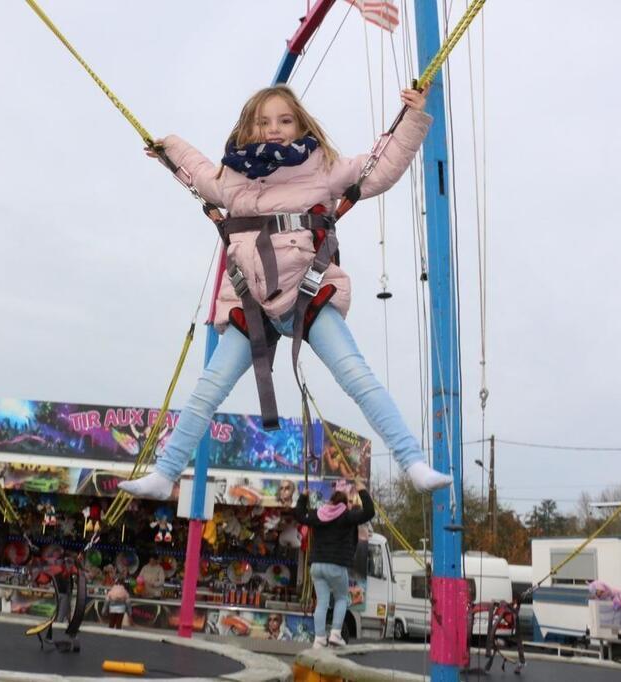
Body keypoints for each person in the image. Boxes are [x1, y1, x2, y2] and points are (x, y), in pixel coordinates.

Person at [118, 85, 451, 501]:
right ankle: (165, 473)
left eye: (284, 120)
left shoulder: (320, 167)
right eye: (264, 122)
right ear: (248, 128)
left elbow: (377, 167)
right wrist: (168, 147)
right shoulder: (232, 178)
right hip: (249, 301)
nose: (274, 129)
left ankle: (413, 462)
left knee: (355, 374)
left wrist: (413, 119)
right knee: (209, 387)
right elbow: (198, 173)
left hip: (307, 292)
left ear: (300, 126)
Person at [294, 482, 374, 647]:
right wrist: (362, 490)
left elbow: (299, 515)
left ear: (331, 501)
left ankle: (319, 638)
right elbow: (369, 512)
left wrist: (303, 497)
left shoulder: (319, 514)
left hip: (316, 566)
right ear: (344, 504)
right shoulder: (346, 515)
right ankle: (336, 634)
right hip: (336, 566)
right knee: (341, 598)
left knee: (322, 602)